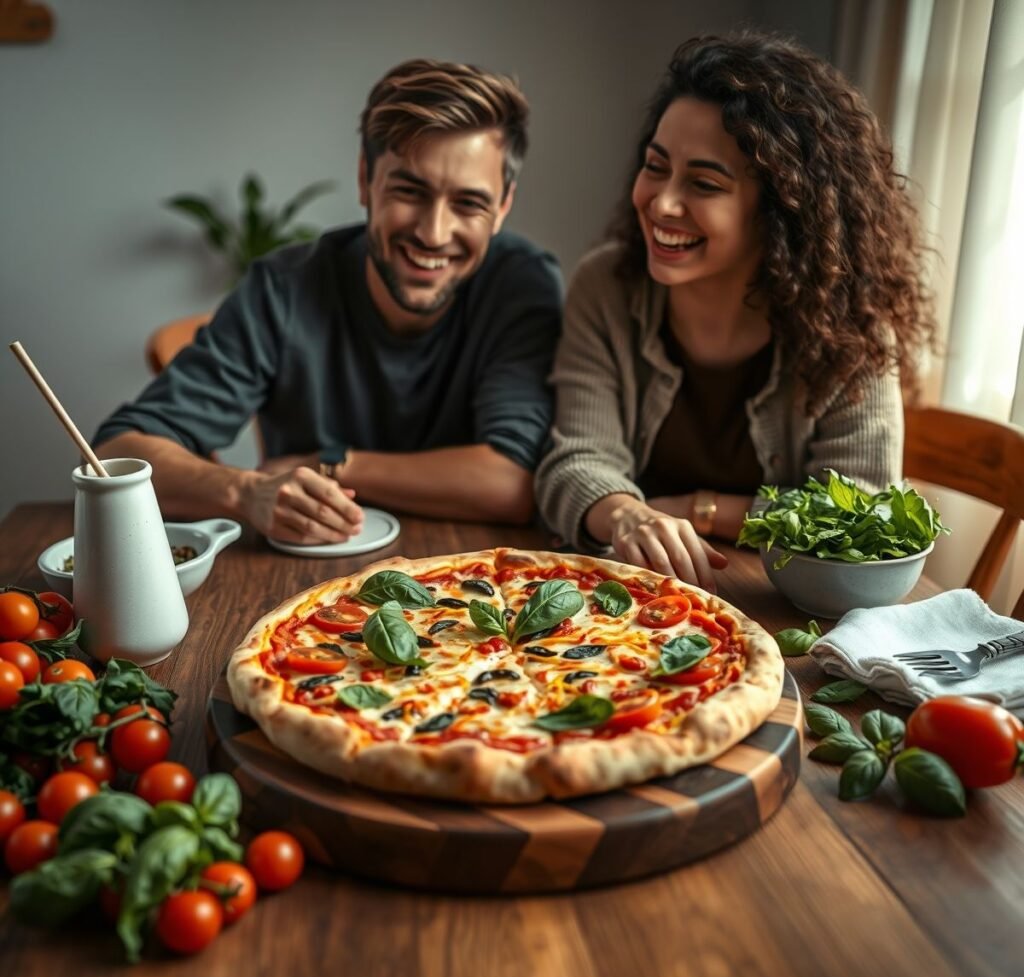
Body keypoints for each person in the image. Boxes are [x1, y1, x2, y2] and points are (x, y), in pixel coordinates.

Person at [95, 59, 562, 544]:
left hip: (481, 582)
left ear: (504, 204)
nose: (433, 232)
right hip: (300, 580)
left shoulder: (521, 284)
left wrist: (328, 464)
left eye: (469, 203)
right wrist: (243, 491)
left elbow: (512, 484)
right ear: (365, 180)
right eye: (409, 190)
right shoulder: (285, 287)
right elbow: (118, 454)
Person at [535, 32, 936, 592]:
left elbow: (858, 509)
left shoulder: (851, 325)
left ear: (780, 209)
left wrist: (701, 509)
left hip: (780, 607)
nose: (662, 202)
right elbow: (575, 459)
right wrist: (629, 512)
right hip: (631, 600)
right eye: (655, 166)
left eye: (703, 183)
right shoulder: (606, 285)